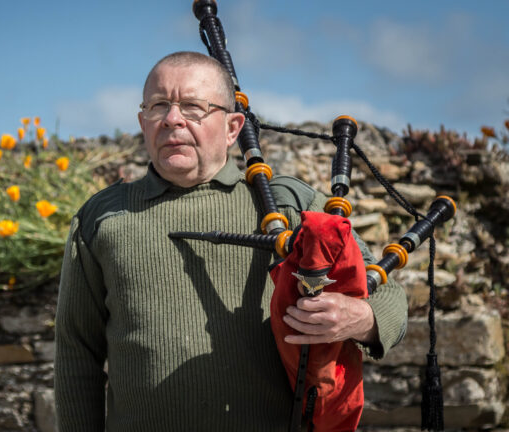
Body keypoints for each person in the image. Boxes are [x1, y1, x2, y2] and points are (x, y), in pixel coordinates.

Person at [54, 51, 407, 431]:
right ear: (143, 122)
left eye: (193, 107)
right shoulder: (103, 217)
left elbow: (388, 294)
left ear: (232, 127)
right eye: (158, 106)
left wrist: (359, 318)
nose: (172, 119)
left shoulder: (289, 205)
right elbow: (77, 354)